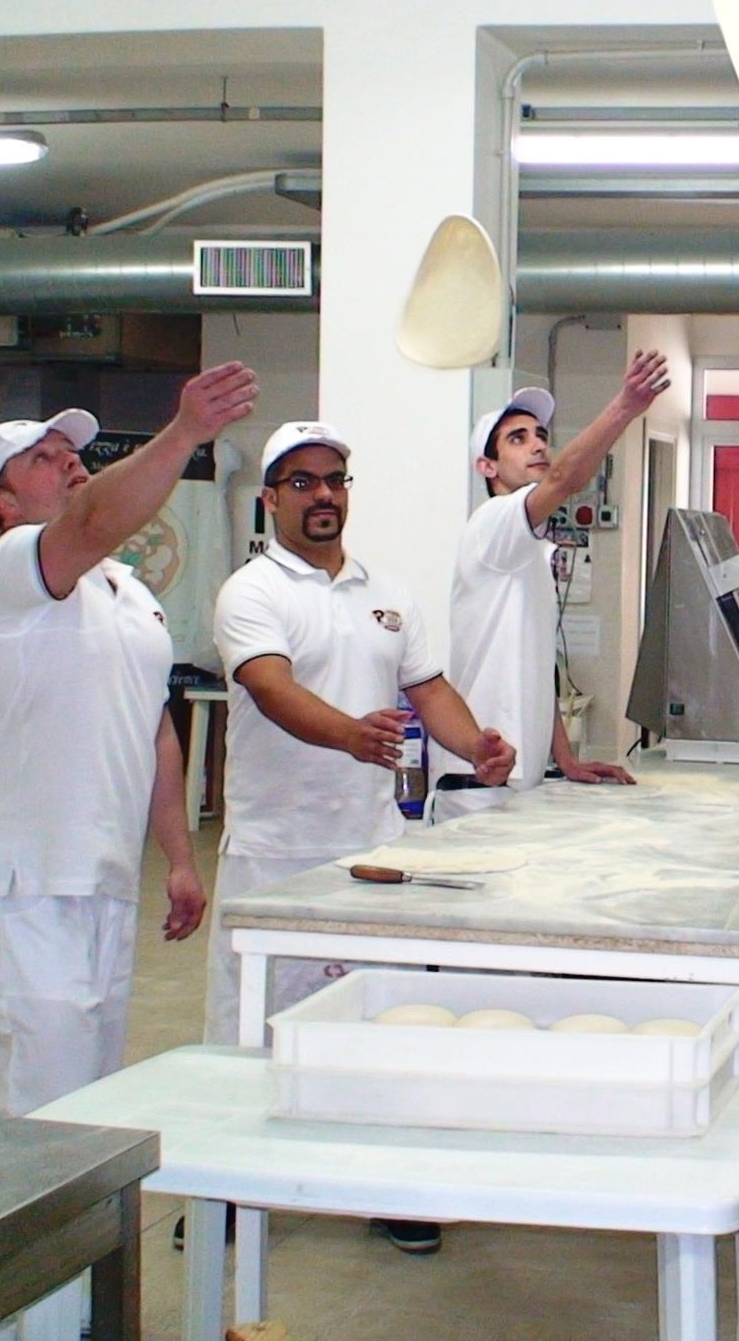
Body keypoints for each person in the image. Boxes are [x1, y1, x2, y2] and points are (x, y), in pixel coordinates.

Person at [0, 362, 255, 1341]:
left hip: (100, 887)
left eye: (72, 451)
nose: (70, 463)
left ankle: (74, 1316)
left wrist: (178, 857)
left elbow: (155, 729)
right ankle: (27, 1324)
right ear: (5, 502)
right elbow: (87, 524)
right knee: (41, 1122)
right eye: (45, 459)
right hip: (28, 887)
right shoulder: (10, 570)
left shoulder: (125, 590)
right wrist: (182, 434)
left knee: (89, 1116)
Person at [205, 420, 516, 1254]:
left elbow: (429, 687)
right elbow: (270, 688)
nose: (323, 496)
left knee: (385, 1015)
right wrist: (350, 734)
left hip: (373, 848)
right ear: (271, 498)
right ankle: (229, 1186)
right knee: (254, 1023)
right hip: (276, 846)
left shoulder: (388, 592)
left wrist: (476, 746)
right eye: (302, 482)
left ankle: (389, 1185)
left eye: (334, 480)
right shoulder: (252, 593)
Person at [429, 350, 670, 818]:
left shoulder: (529, 549)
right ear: (487, 467)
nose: (538, 446)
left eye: (541, 435)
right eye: (517, 439)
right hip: (479, 785)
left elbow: (538, 670)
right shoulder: (493, 523)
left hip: (520, 780)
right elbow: (563, 479)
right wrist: (625, 406)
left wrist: (566, 759)